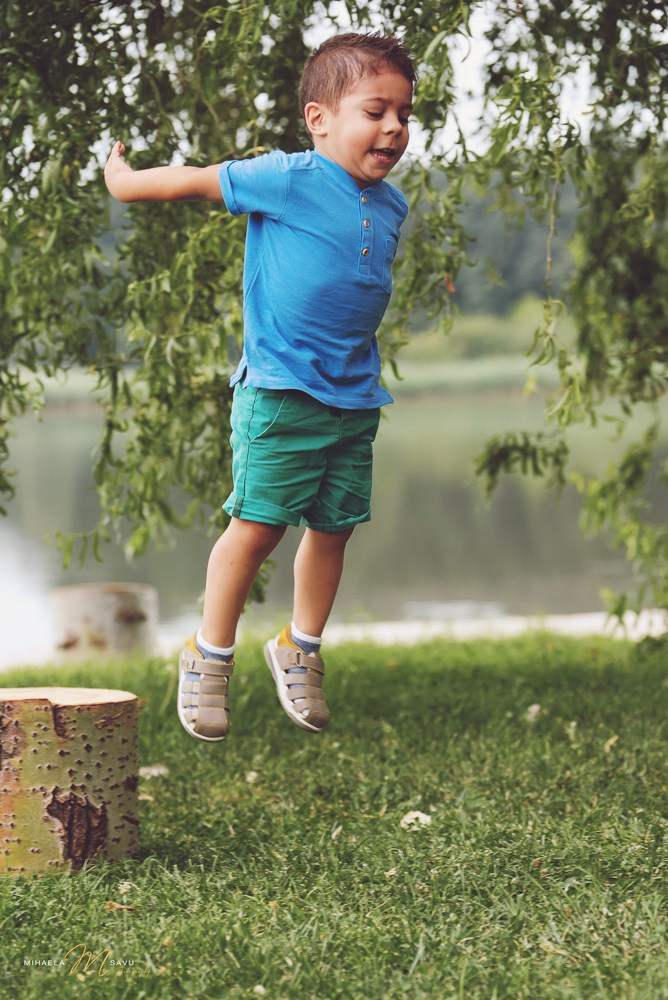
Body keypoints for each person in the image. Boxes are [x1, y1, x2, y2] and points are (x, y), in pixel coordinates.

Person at [104, 31, 415, 743]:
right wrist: (124, 182)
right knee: (259, 526)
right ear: (320, 118)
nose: (394, 127)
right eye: (376, 110)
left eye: (404, 113)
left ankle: (299, 648)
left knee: (334, 529)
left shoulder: (391, 205)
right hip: (281, 392)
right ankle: (208, 656)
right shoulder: (287, 177)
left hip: (355, 398)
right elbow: (190, 179)